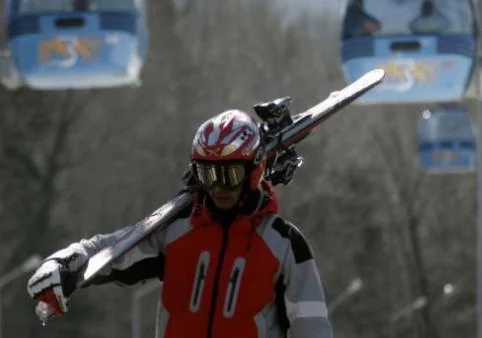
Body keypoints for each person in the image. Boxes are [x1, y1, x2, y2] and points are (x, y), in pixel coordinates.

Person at [26, 109, 333, 338]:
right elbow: (114, 250)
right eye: (208, 175)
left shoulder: (284, 245)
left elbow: (313, 329)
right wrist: (63, 262)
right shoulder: (176, 230)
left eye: (230, 175)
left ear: (253, 172)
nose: (219, 188)